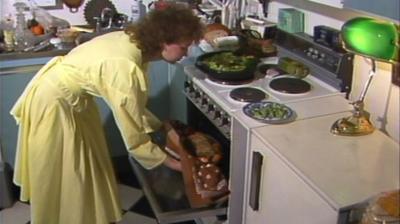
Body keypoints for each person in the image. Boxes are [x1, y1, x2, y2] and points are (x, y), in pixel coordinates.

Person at [10, 4, 204, 224]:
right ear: (164, 42)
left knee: (83, 167)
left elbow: (132, 105)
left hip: (68, 99)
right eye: (184, 46)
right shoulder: (124, 66)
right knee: (63, 175)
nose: (186, 53)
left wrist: (160, 127)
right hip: (54, 104)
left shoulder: (132, 42)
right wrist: (173, 163)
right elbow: (134, 137)